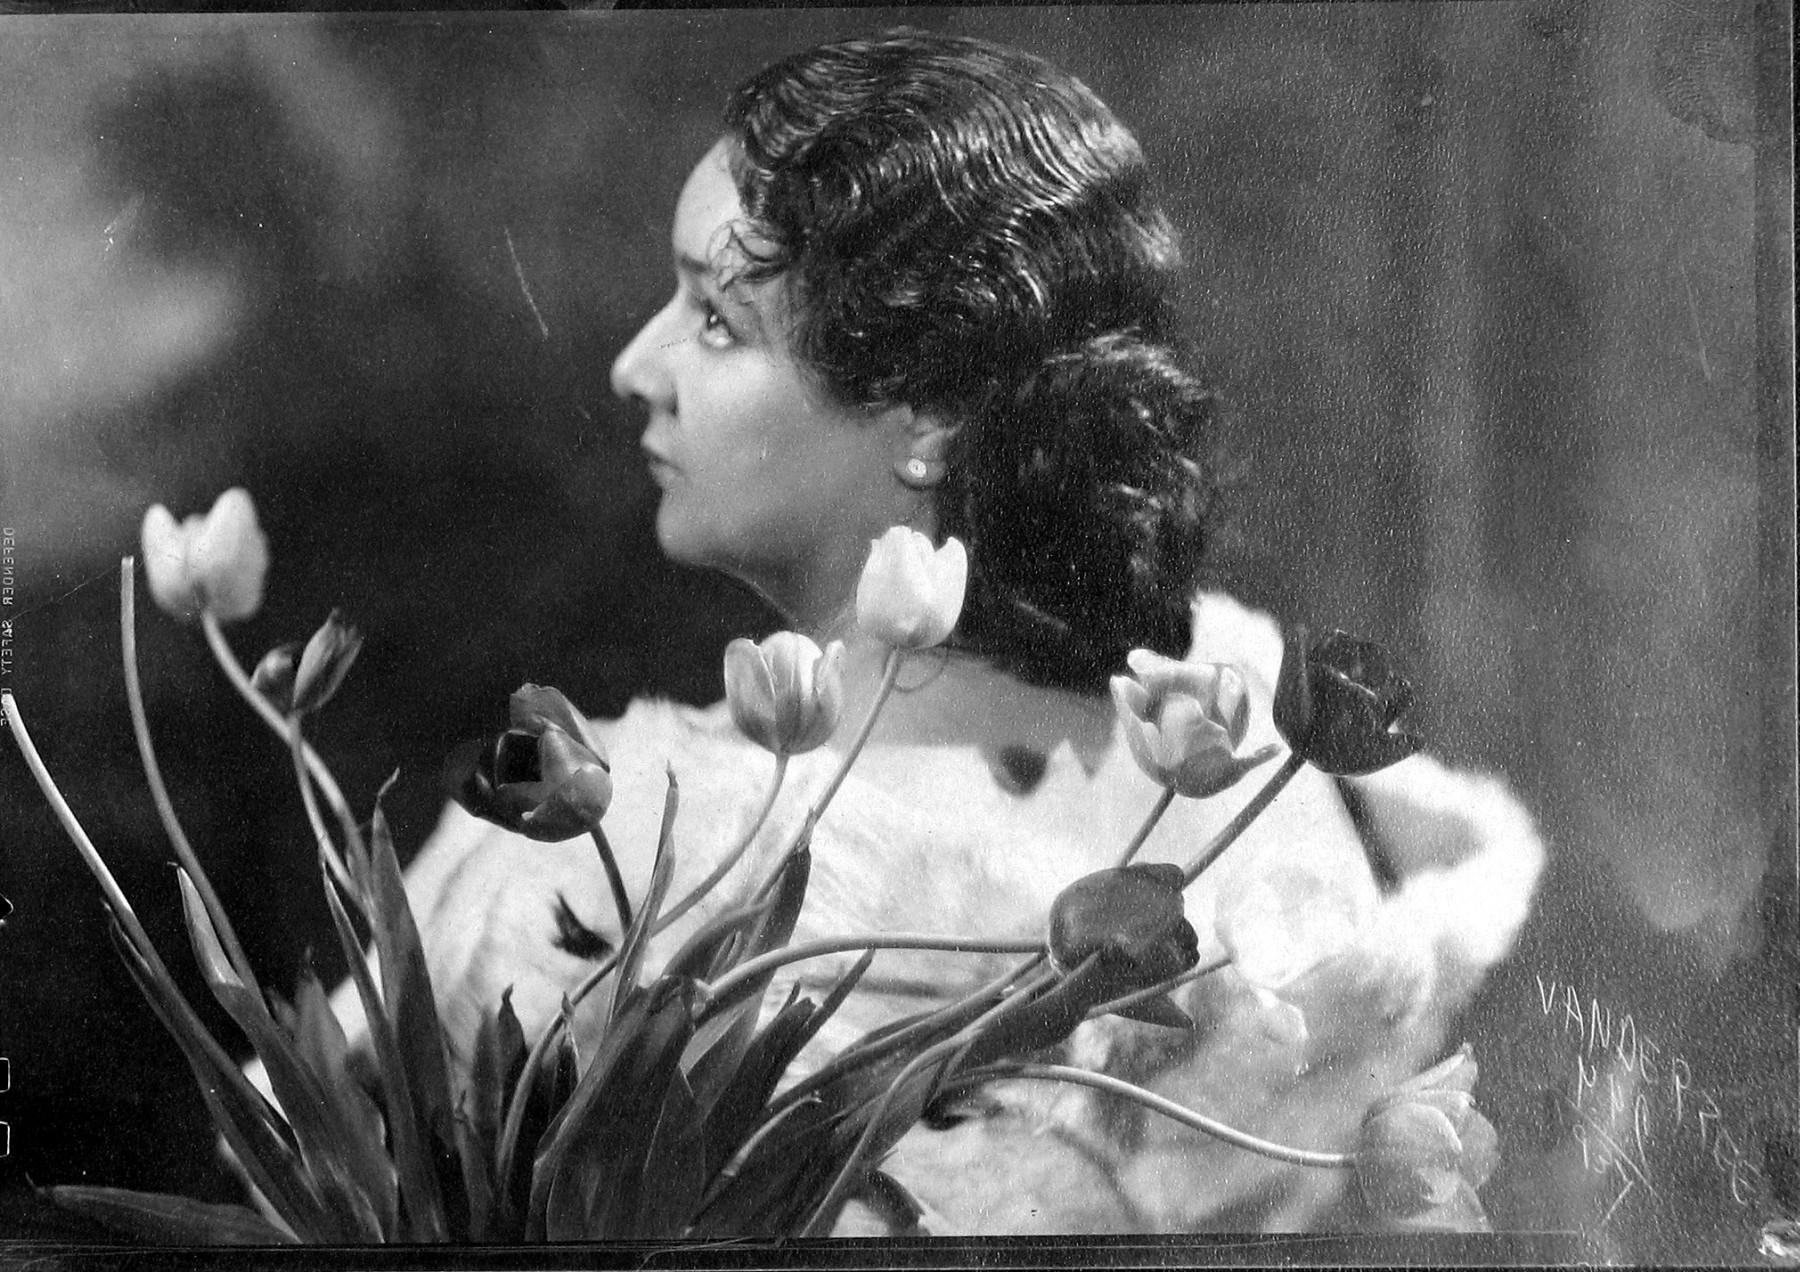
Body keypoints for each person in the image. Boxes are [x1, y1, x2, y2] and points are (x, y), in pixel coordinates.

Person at [283, 28, 1544, 1234]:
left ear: (930, 407)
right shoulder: (1266, 810)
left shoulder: (596, 871)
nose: (634, 364)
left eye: (718, 320)